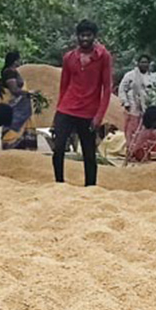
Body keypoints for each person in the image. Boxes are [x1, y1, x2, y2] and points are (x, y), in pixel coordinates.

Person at [53, 19, 113, 187]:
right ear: (77, 36)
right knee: (58, 149)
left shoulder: (103, 57)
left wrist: (99, 116)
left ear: (94, 36)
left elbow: (107, 89)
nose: (84, 39)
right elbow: (63, 86)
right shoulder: (69, 58)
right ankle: (59, 183)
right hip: (67, 108)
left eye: (88, 35)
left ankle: (90, 187)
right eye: (82, 35)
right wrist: (58, 112)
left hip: (89, 112)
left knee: (88, 153)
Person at [118, 55, 154, 159]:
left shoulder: (152, 77)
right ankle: (130, 152)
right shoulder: (130, 75)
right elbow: (122, 89)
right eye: (142, 62)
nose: (144, 64)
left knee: (145, 131)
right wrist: (125, 103)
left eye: (146, 62)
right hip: (132, 108)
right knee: (131, 132)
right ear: (137, 63)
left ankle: (141, 153)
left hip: (146, 109)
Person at [0, 69, 37, 150]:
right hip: (15, 106)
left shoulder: (10, 71)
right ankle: (11, 143)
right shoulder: (9, 73)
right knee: (14, 123)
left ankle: (22, 143)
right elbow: (14, 90)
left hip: (20, 105)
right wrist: (28, 93)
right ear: (15, 60)